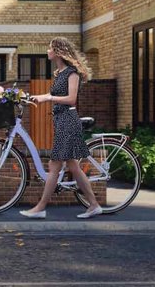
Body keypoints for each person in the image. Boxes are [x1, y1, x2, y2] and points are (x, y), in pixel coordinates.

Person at [19, 37, 104, 220]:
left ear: (58, 51)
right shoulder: (60, 73)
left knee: (54, 166)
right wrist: (35, 97)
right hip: (61, 120)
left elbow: (71, 99)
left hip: (68, 121)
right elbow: (52, 94)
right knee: (72, 166)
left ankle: (40, 207)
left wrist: (48, 98)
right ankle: (94, 205)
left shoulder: (72, 73)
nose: (47, 51)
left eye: (50, 48)